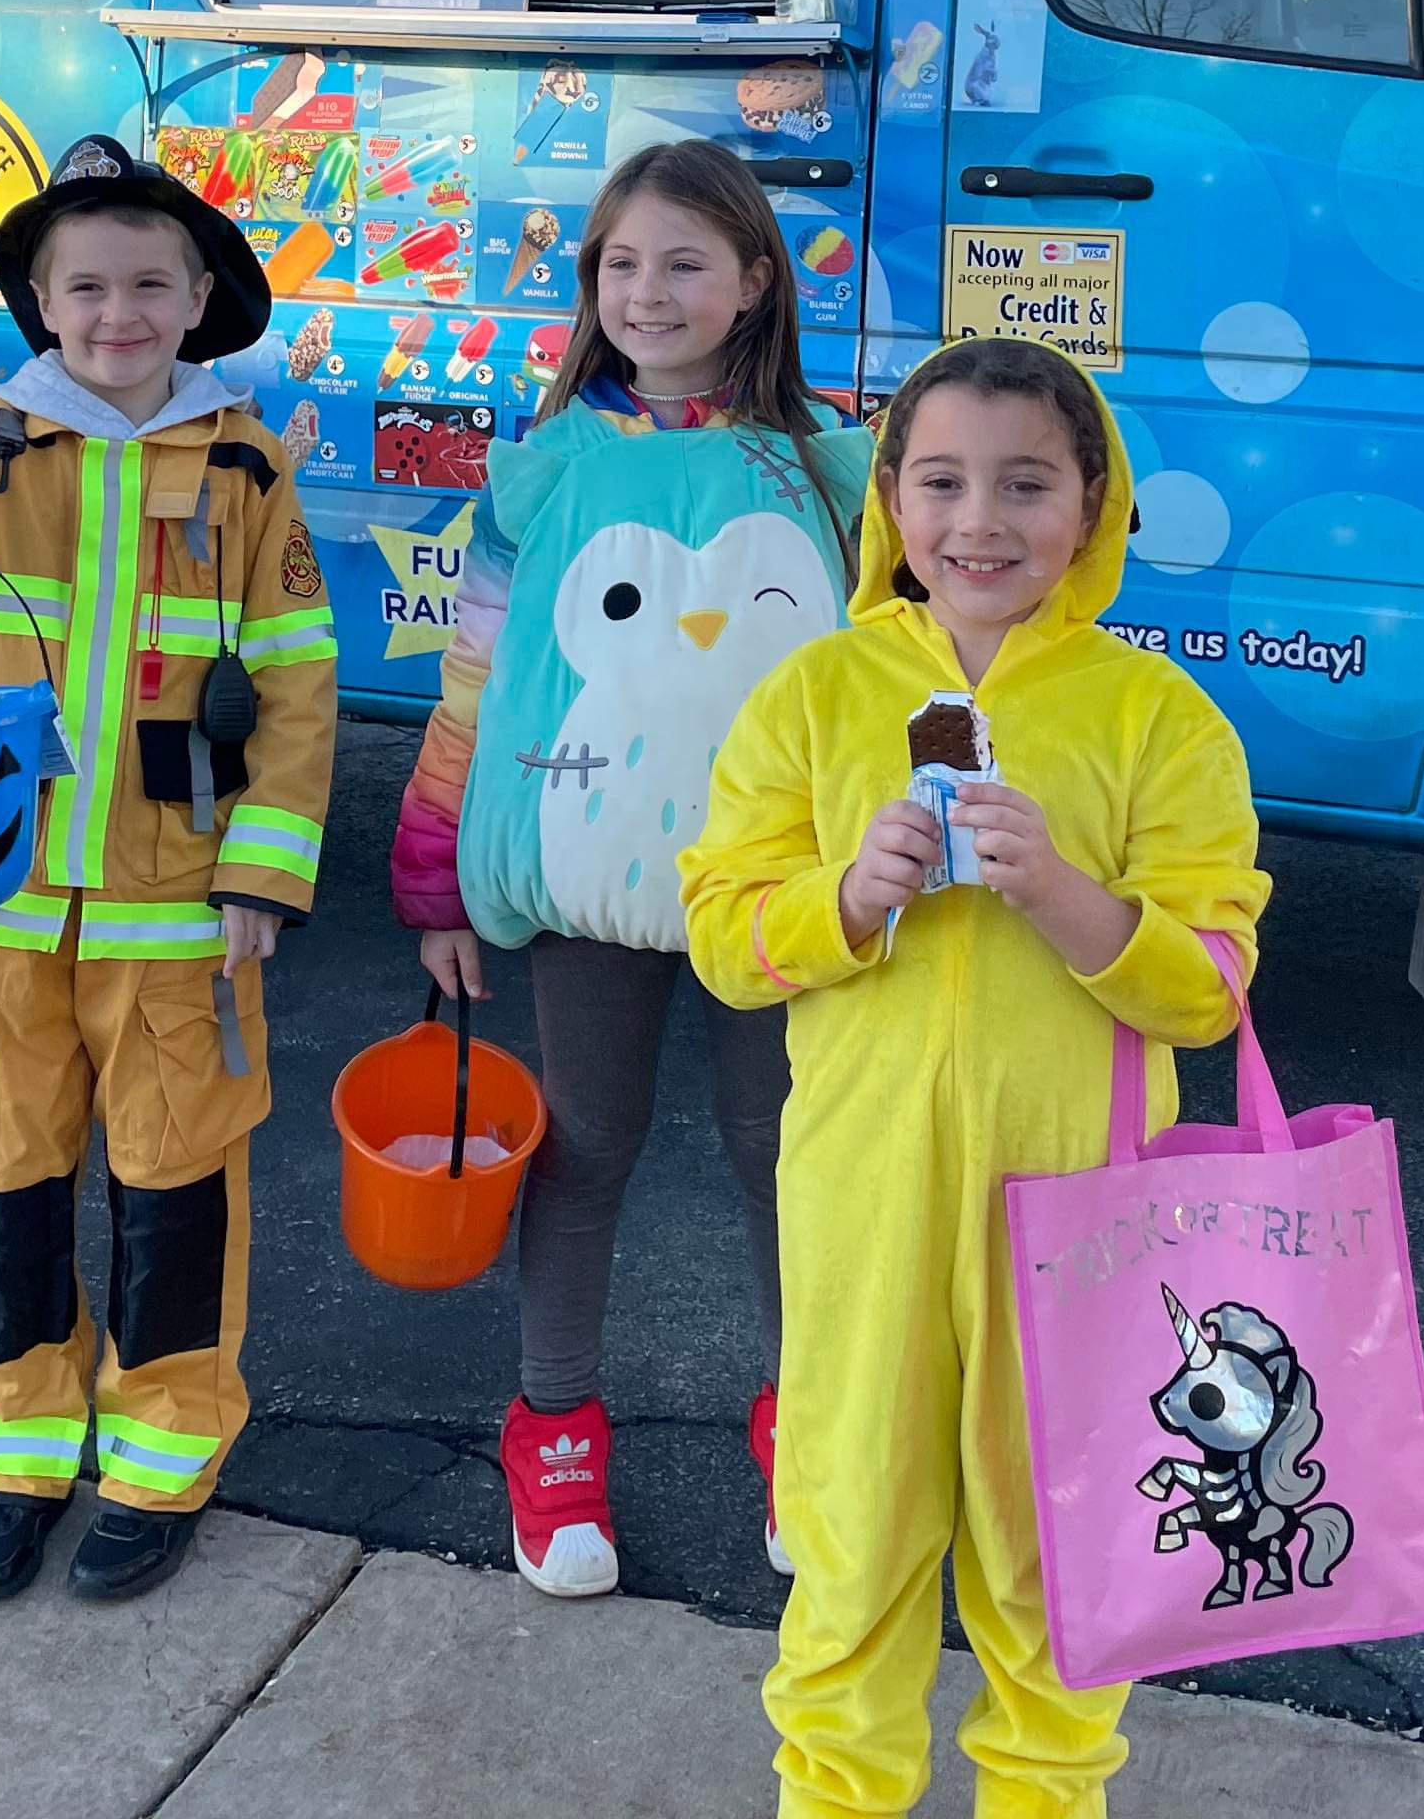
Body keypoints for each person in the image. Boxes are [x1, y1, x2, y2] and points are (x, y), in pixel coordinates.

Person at [683, 338, 1268, 1818]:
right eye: (941, 482)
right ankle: (834, 1797)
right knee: (855, 1530)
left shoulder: (1159, 719)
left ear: (1094, 509)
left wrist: (1068, 896)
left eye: (1028, 485)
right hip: (865, 1195)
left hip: (1085, 1214)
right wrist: (850, 899)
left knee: (1058, 1543)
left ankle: (1049, 1798)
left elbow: (1212, 988)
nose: (981, 523)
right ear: (891, 502)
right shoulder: (814, 697)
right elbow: (724, 939)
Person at [0, 134, 336, 1607]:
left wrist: (262, 875)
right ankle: (17, 1443)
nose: (118, 312)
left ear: (197, 296)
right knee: (9, 1176)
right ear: (38, 302)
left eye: (149, 282)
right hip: (2, 895)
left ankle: (165, 1458)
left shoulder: (243, 461)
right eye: (85, 285)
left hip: (178, 912)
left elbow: (297, 683)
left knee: (176, 1191)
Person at [390, 139, 870, 1596]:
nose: (647, 292)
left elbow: (901, 670)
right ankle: (553, 1426)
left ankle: (814, 1433)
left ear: (755, 283)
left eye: (683, 262)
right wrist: (433, 880)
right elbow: (473, 674)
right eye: (620, 264)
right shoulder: (543, 473)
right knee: (583, 1151)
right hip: (590, 894)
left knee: (787, 1161)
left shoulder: (836, 468)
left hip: (783, 896)